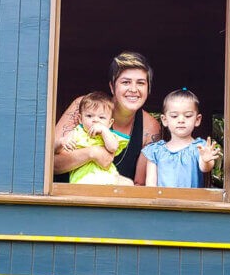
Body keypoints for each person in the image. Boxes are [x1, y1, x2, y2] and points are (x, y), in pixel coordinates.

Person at [53, 51, 162, 185]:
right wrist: (92, 153)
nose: (133, 89)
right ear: (112, 86)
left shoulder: (150, 126)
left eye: (140, 83)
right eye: (126, 82)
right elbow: (49, 165)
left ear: (148, 88)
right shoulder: (84, 106)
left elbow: (140, 184)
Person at [141, 89, 221, 188]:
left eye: (188, 116)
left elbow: (205, 168)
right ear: (165, 120)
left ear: (197, 120)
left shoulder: (199, 147)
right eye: (174, 116)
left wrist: (206, 160)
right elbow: (151, 185)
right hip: (162, 202)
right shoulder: (155, 151)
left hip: (190, 202)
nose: (181, 120)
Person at [54, 92, 133, 185]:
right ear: (80, 119)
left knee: (129, 183)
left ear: (110, 123)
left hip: (108, 176)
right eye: (89, 116)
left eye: (102, 117)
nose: (95, 120)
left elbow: (113, 147)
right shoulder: (77, 132)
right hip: (83, 177)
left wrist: (104, 131)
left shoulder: (108, 135)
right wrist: (61, 142)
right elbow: (54, 151)